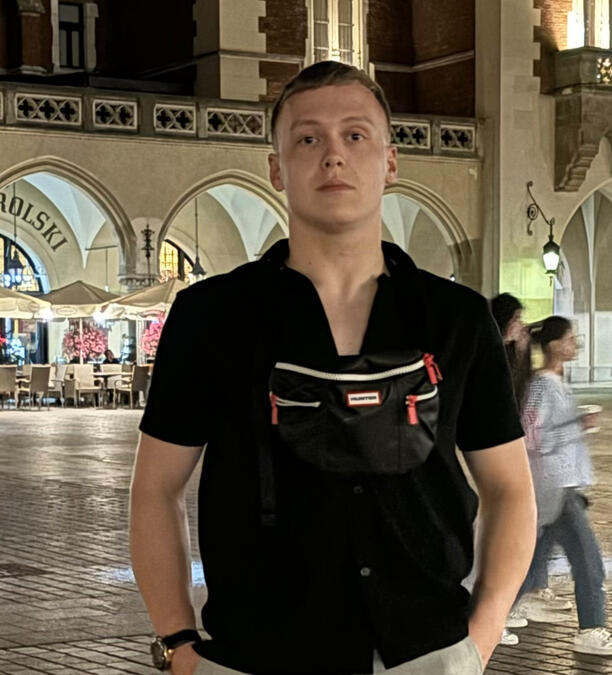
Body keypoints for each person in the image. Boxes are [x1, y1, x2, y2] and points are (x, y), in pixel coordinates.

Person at [130, 61, 536, 675]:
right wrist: (177, 644)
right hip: (256, 656)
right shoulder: (212, 316)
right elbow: (155, 488)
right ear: (277, 169)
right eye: (307, 138)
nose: (333, 156)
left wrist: (482, 634)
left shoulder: (455, 318)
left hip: (427, 651)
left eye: (355, 135)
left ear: (390, 161)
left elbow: (510, 488)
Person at [519, 316, 612, 656]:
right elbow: (532, 435)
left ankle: (509, 606)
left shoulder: (556, 382)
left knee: (534, 557)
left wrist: (577, 425)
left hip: (562, 484)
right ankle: (591, 628)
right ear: (553, 345)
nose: (574, 344)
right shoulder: (542, 385)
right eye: (569, 338)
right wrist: (576, 425)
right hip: (556, 485)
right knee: (587, 558)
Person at [490, 295, 571, 647]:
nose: (521, 327)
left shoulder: (515, 356)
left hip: (515, 450)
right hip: (498, 451)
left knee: (533, 527)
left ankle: (528, 590)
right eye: (516, 320)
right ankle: (499, 608)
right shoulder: (489, 353)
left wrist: (523, 353)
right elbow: (503, 395)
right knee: (511, 527)